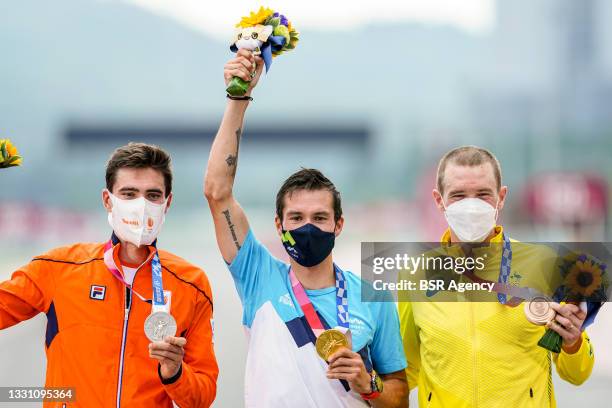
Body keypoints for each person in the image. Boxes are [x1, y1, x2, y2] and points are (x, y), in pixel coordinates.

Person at [204, 49, 408, 407]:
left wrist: (368, 382)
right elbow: (217, 192)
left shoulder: (373, 297)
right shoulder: (257, 274)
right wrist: (238, 97)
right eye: (296, 219)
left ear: (338, 224)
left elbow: (400, 397)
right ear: (278, 225)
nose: (307, 228)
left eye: (319, 218)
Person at [0, 143, 218, 407]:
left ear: (167, 202)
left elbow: (202, 398)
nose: (141, 205)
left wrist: (175, 373)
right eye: (129, 194)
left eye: (152, 195)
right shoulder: (58, 268)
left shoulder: (192, 284)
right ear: (108, 200)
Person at [399, 145, 595, 407]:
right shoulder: (415, 274)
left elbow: (577, 374)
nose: (471, 206)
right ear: (439, 200)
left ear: (501, 197)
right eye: (458, 196)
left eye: (483, 195)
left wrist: (573, 343)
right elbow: (405, 369)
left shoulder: (548, 265)